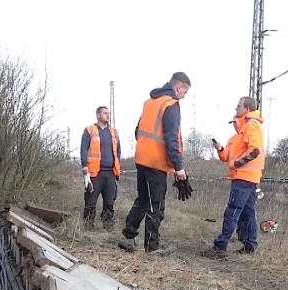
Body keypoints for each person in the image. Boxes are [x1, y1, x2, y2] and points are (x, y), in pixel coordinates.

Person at [118, 72, 190, 253]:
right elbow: (171, 138)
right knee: (155, 205)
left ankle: (127, 236)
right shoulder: (171, 105)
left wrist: (146, 147)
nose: (184, 96)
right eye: (185, 92)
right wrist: (178, 167)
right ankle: (152, 247)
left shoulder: (150, 103)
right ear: (179, 87)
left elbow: (138, 131)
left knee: (143, 200)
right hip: (156, 163)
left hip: (142, 159)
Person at [206, 96, 265, 259]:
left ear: (246, 109)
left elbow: (255, 151)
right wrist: (220, 149)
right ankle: (250, 246)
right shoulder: (237, 137)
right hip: (249, 178)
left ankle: (221, 245)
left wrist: (237, 165)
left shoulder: (251, 126)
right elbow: (227, 157)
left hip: (244, 177)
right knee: (248, 212)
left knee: (232, 211)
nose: (236, 109)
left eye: (238, 107)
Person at [80, 106, 122, 229]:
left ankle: (108, 226)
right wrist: (84, 165)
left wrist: (117, 165)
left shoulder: (114, 132)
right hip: (94, 173)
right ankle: (88, 226)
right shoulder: (89, 130)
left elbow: (118, 150)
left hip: (110, 172)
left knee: (109, 202)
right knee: (90, 201)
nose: (108, 115)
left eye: (109, 113)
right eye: (105, 113)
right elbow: (84, 148)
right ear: (98, 115)